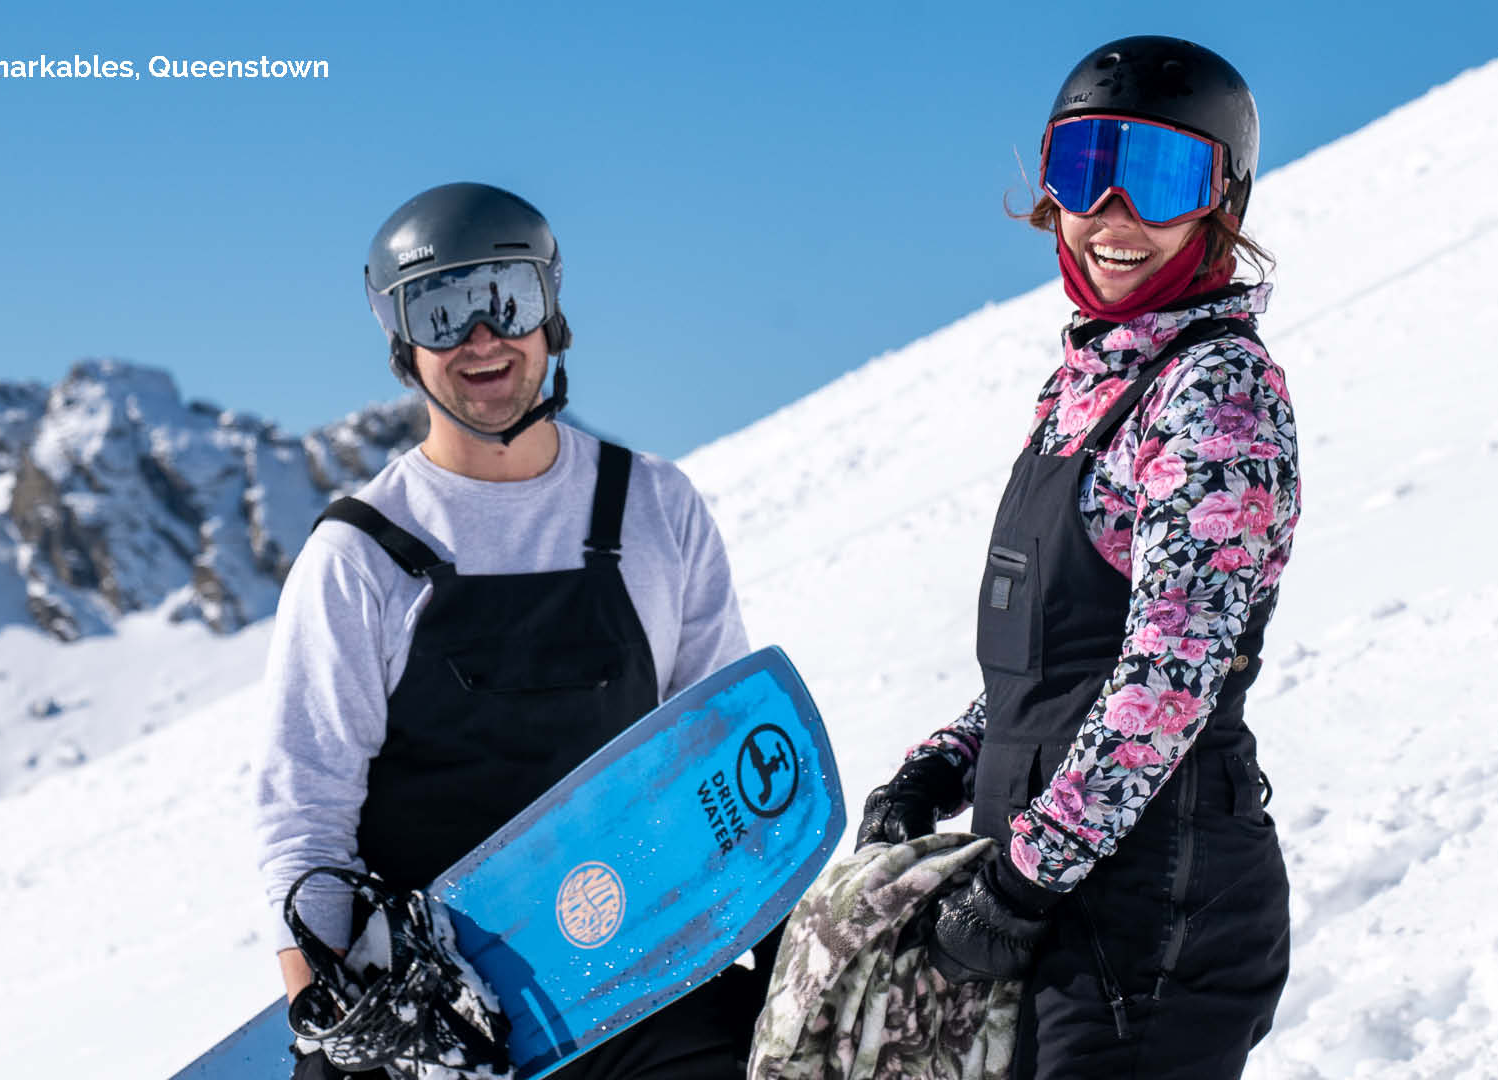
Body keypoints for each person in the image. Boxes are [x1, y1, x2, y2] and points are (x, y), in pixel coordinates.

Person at [854, 36, 1299, 1078]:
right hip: (1067, 895)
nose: (1112, 214)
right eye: (1082, 167)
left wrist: (1024, 881)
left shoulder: (1216, 395)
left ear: (1221, 198)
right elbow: (1064, 662)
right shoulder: (1084, 388)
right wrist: (950, 760)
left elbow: (1168, 676)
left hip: (1159, 915)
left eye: (1155, 176)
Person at [256, 181, 757, 1079]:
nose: (481, 339)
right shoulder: (359, 556)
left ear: (550, 312)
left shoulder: (654, 507)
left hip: (647, 987)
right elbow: (306, 822)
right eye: (442, 310)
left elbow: (715, 749)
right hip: (444, 1018)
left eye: (506, 300)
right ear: (403, 342)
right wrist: (329, 1030)